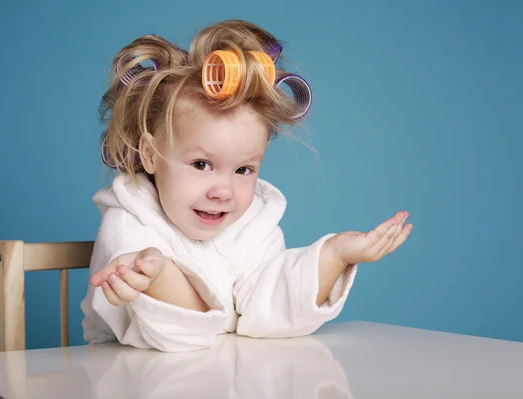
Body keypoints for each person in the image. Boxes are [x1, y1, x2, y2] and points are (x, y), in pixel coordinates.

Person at [80, 19, 412, 352]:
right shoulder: (128, 226)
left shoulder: (250, 222)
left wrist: (335, 255)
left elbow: (266, 311)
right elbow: (179, 337)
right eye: (201, 165)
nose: (222, 191)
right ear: (150, 155)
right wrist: (159, 276)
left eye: (243, 169)